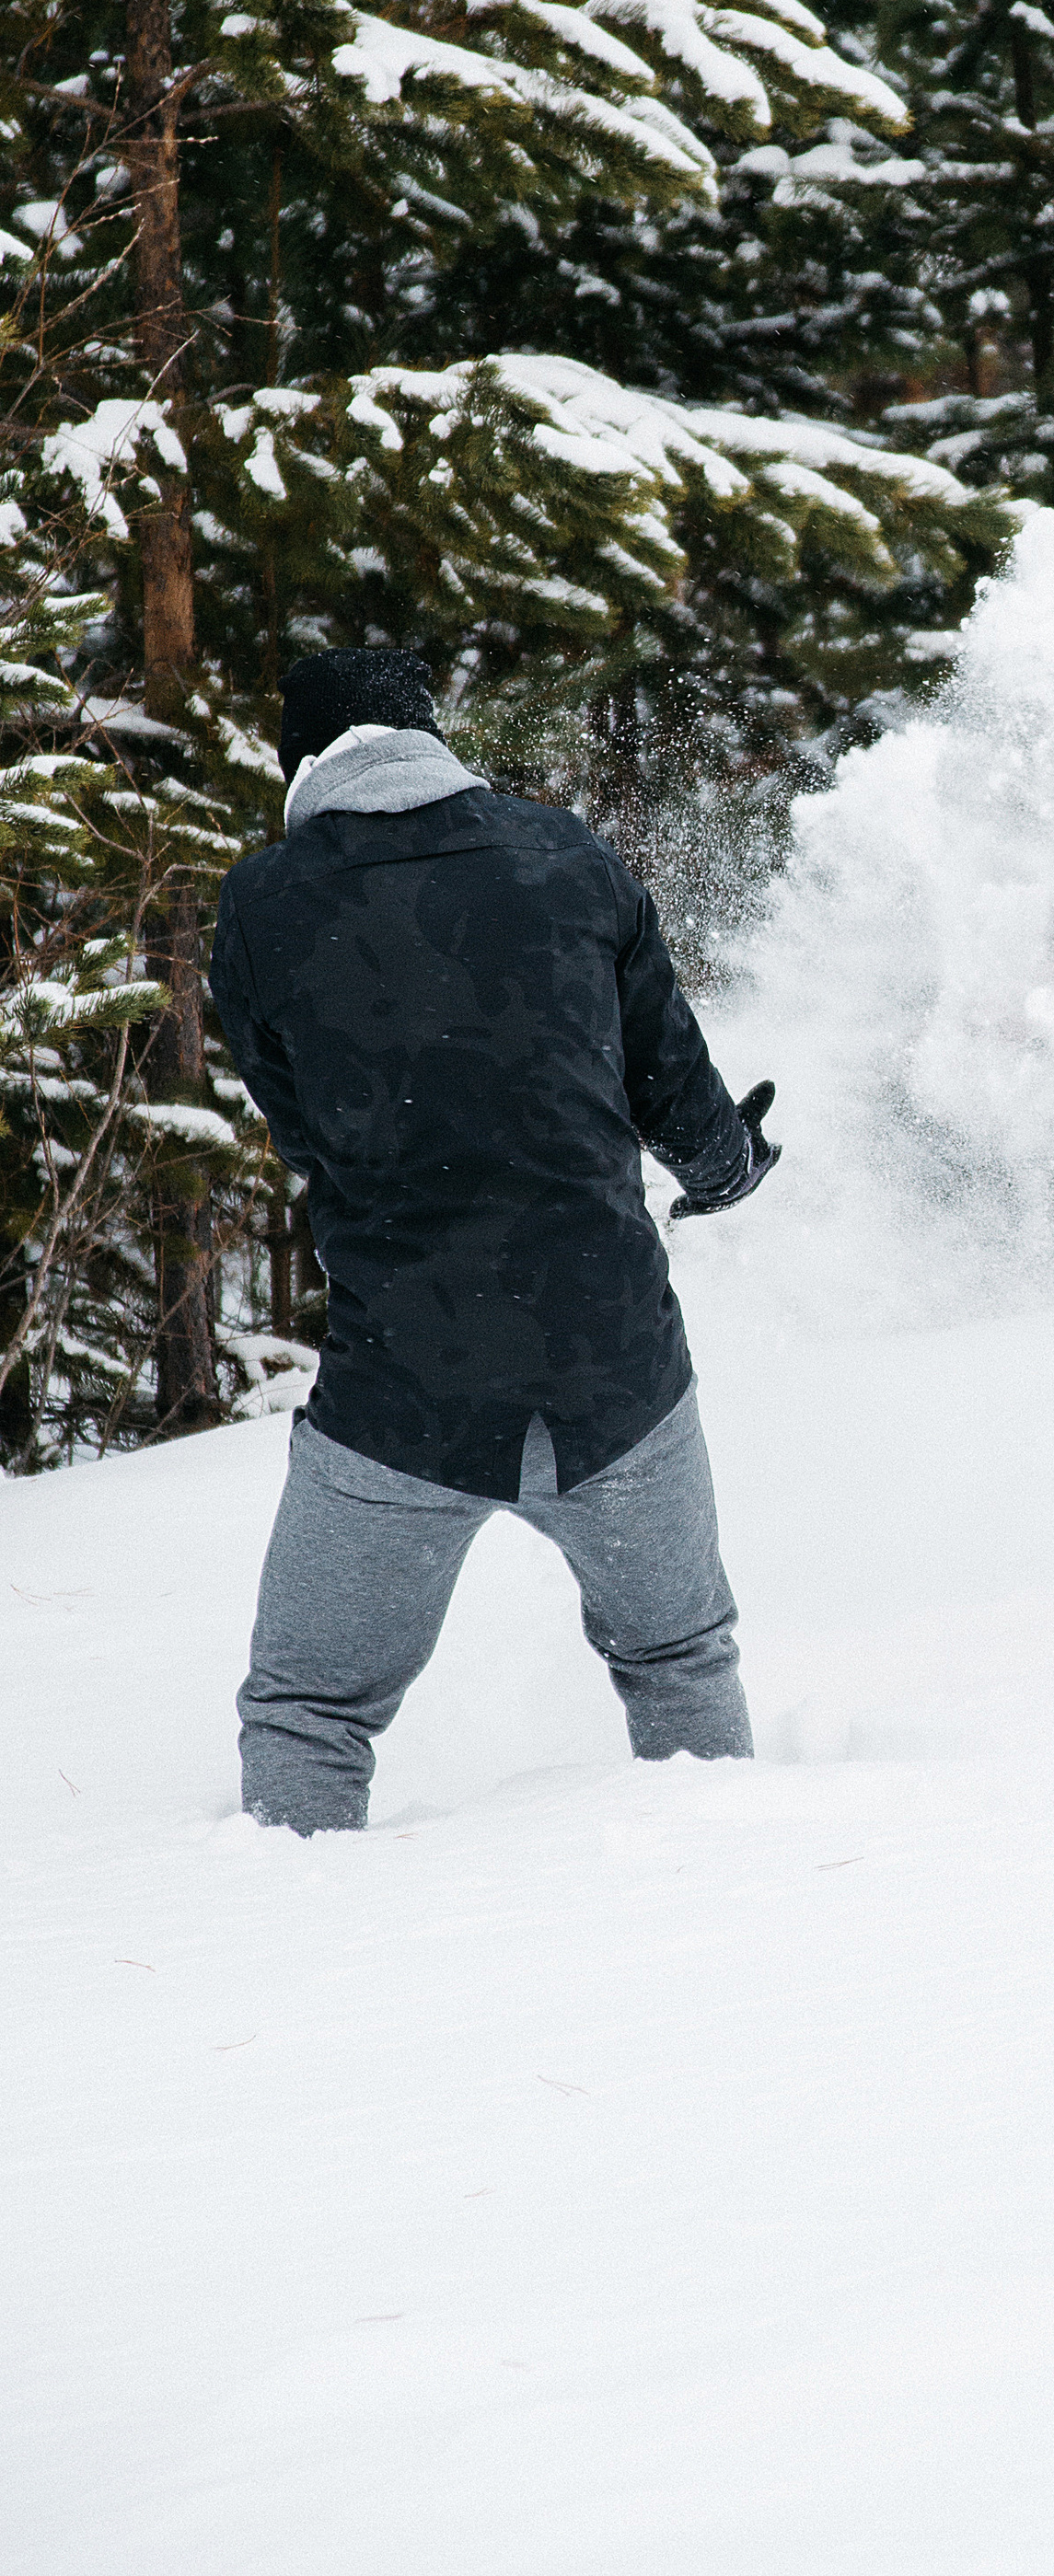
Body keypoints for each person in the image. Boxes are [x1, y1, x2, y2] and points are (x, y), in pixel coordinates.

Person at [209, 649, 781, 1832]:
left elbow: (302, 1127)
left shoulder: (263, 902)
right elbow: (672, 1082)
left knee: (309, 1708)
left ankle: (285, 1910)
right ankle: (735, 1892)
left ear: (302, 762)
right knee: (678, 1656)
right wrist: (729, 1168)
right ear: (428, 739)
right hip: (615, 1369)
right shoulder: (565, 853)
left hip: (404, 1389)